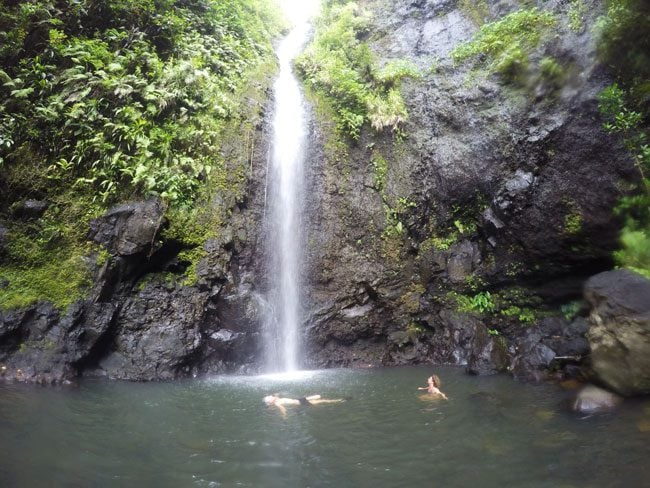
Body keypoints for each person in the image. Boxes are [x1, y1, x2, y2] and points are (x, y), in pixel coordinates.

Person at [263, 394, 345, 416]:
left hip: (300, 401)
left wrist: (284, 416)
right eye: (270, 397)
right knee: (321, 400)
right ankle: (338, 400)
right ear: (272, 401)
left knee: (320, 400)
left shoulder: (277, 400)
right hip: (300, 401)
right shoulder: (277, 401)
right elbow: (282, 408)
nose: (272, 397)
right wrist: (284, 414)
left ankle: (338, 400)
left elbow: (282, 408)